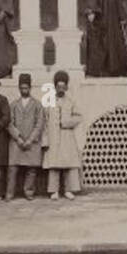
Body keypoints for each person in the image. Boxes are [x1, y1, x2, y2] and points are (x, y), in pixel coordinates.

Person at [41, 70, 82, 200]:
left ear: (66, 87)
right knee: (54, 165)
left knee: (68, 164)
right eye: (58, 86)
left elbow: (78, 117)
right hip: (53, 137)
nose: (61, 88)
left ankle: (68, 190)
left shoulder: (71, 101)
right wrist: (45, 139)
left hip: (67, 137)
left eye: (63, 86)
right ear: (54, 86)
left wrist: (66, 123)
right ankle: (54, 191)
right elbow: (44, 121)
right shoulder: (48, 102)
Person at [85, 0, 127, 77]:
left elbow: (119, 3)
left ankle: (113, 70)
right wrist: (91, 11)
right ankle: (97, 71)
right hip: (100, 22)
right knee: (100, 47)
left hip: (112, 22)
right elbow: (91, 0)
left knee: (114, 46)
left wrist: (122, 17)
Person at [7, 72, 46, 200]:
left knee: (31, 169)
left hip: (32, 142)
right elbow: (9, 123)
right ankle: (10, 193)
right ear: (19, 88)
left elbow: (39, 124)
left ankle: (28, 192)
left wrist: (30, 140)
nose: (24, 90)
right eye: (22, 88)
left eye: (26, 88)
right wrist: (18, 138)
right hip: (16, 142)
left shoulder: (37, 105)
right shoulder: (13, 104)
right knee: (12, 168)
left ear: (30, 88)